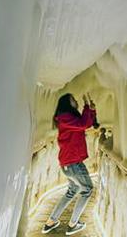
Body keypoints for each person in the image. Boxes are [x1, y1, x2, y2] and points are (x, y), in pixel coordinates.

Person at [41, 93, 97, 235]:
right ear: (66, 103)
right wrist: (85, 106)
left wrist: (91, 110)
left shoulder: (68, 118)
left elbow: (86, 124)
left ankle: (51, 222)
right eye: (73, 99)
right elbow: (83, 124)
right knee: (87, 189)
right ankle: (73, 224)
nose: (76, 101)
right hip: (73, 163)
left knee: (72, 191)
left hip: (69, 163)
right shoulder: (64, 117)